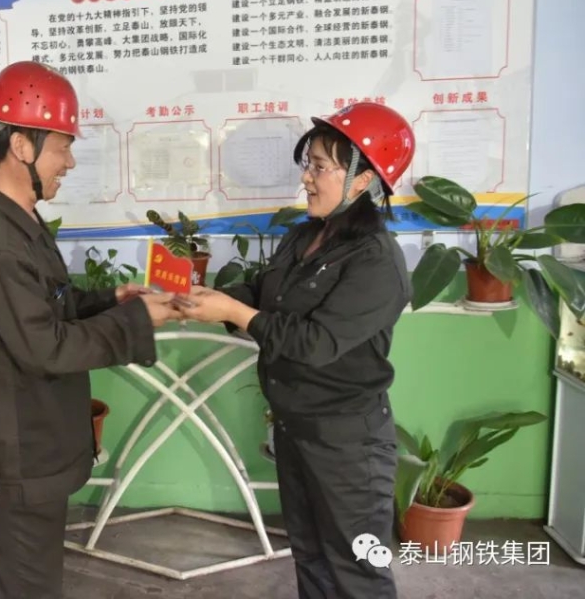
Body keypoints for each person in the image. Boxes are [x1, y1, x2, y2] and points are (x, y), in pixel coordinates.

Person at [0, 60, 183, 598]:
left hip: (32, 449)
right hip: (15, 460)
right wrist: (137, 321)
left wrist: (111, 300)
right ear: (22, 147)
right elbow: (46, 348)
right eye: (62, 147)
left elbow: (47, 308)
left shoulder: (19, 222)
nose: (70, 162)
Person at [176, 102, 416, 599]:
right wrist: (207, 302)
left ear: (362, 180)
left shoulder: (376, 261)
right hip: (295, 429)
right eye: (308, 164)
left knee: (357, 570)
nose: (307, 178)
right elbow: (266, 295)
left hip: (348, 443)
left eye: (320, 167)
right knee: (310, 555)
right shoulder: (304, 236)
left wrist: (235, 312)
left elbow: (315, 343)